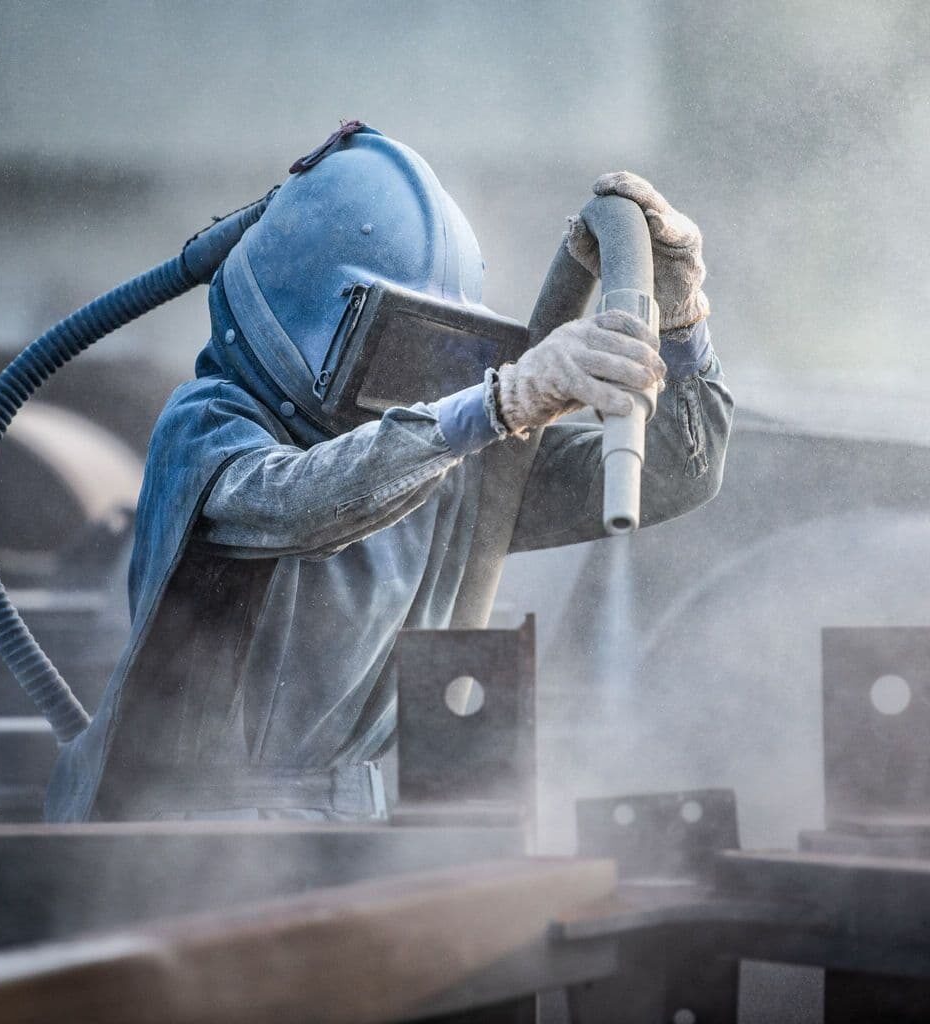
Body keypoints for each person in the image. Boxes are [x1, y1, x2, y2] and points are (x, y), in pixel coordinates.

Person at [45, 124, 733, 823]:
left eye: (436, 349)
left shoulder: (455, 455)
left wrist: (680, 324)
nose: (409, 384)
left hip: (354, 827)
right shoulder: (209, 425)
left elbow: (678, 472)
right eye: (391, 345)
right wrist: (498, 403)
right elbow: (301, 503)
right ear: (307, 323)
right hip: (174, 838)